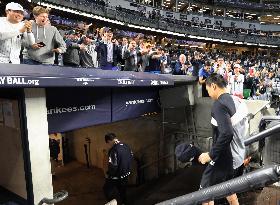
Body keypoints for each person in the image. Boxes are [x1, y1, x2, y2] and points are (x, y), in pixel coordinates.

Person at [198, 74, 240, 205]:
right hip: (233, 154)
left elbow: (227, 133)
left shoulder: (219, 104)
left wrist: (210, 155)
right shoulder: (233, 100)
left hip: (222, 156)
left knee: (205, 192)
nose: (208, 93)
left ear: (214, 86)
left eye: (208, 89)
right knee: (228, 189)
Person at [103, 133, 133, 205]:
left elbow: (113, 166)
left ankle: (112, 203)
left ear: (109, 141)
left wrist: (108, 175)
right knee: (122, 190)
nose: (109, 145)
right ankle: (124, 203)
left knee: (106, 189)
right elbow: (131, 156)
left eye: (108, 143)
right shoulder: (126, 145)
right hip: (126, 174)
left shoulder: (113, 150)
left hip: (117, 176)